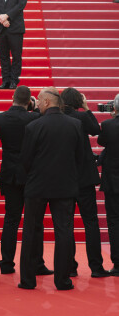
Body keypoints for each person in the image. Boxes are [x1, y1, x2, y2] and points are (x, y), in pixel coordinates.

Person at [19, 87, 83, 291]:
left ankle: (28, 280)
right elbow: (80, 157)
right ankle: (63, 280)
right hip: (65, 185)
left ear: (46, 102)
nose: (36, 103)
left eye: (38, 100)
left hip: (37, 185)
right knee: (64, 231)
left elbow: (25, 159)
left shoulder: (33, 126)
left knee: (30, 231)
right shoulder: (75, 125)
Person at [0, 86, 53, 275]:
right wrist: (34, 109)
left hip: (10, 175)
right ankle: (36, 263)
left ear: (12, 97)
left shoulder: (0, 118)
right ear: (29, 101)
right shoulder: (35, 118)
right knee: (35, 221)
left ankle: (6, 263)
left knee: (11, 219)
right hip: (31, 174)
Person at [60, 87, 110, 277]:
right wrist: (87, 108)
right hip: (84, 178)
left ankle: (69, 267)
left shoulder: (59, 119)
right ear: (77, 101)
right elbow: (96, 130)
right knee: (90, 222)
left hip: (64, 179)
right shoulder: (80, 118)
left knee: (66, 224)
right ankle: (96, 267)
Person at [97, 94, 119, 276]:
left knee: (114, 222)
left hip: (113, 182)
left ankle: (118, 263)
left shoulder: (108, 126)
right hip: (112, 180)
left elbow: (101, 141)